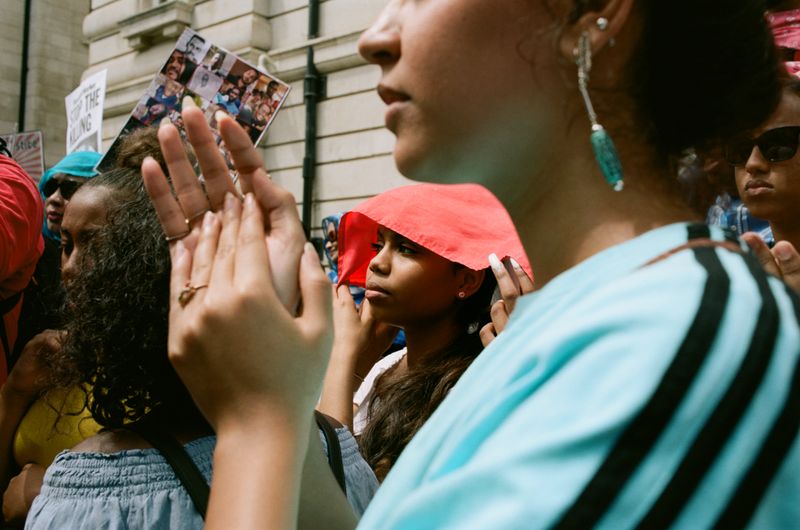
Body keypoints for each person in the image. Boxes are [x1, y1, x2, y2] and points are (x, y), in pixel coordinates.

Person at [142, 2, 800, 528]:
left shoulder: (675, 334)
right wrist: (282, 402)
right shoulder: (569, 321)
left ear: (594, 15)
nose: (375, 35)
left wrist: (252, 423)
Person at [318, 183, 529, 481]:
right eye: (378, 246)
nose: (377, 263)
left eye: (406, 249)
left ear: (467, 281)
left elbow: (331, 494)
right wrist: (357, 362)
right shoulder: (385, 366)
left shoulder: (471, 389)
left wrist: (344, 356)